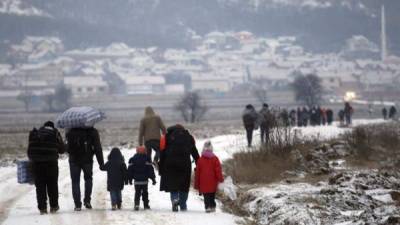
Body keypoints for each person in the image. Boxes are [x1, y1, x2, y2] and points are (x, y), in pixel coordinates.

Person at [159, 124, 199, 212]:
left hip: (170, 163)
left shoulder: (167, 136)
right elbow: (194, 151)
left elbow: (162, 153)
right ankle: (183, 205)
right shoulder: (189, 137)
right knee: (184, 185)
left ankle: (175, 200)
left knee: (173, 184)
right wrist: (198, 163)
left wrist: (161, 166)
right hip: (185, 164)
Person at [27, 121, 65, 214]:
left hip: (37, 164)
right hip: (51, 164)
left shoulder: (36, 134)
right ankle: (54, 206)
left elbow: (29, 152)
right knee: (52, 185)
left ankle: (42, 208)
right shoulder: (55, 133)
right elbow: (62, 150)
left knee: (40, 187)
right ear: (52, 127)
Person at [66, 127, 104, 211]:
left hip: (74, 160)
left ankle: (77, 205)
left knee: (75, 181)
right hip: (87, 160)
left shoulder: (70, 131)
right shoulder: (92, 131)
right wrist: (101, 163)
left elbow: (67, 148)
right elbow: (98, 148)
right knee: (88, 179)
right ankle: (87, 201)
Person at [194, 141, 224, 213]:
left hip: (203, 181)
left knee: (206, 195)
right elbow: (218, 170)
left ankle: (207, 207)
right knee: (212, 194)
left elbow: (197, 173)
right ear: (211, 149)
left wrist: (196, 184)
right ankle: (212, 206)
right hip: (213, 181)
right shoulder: (215, 159)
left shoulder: (200, 160)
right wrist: (221, 179)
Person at [127, 146, 156, 211]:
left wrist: (130, 179)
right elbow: (150, 170)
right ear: (144, 151)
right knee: (145, 193)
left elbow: (130, 171)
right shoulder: (147, 159)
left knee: (137, 193)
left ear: (137, 151)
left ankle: (136, 204)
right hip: (144, 181)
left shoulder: (133, 159)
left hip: (137, 181)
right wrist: (153, 179)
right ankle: (146, 205)